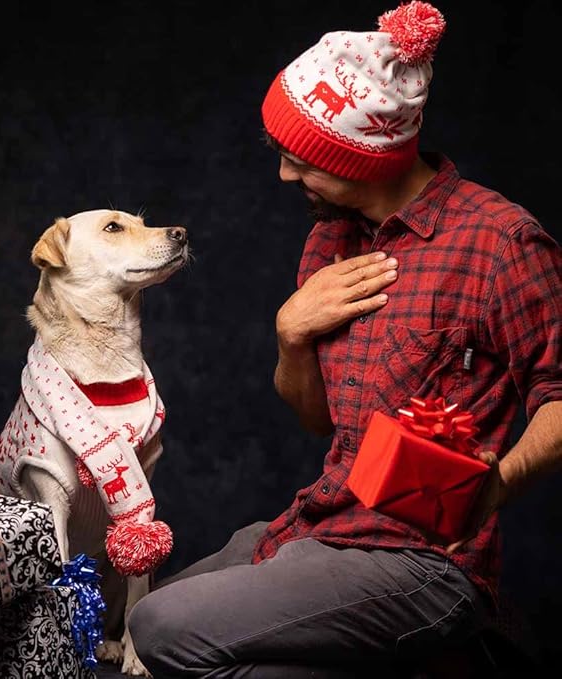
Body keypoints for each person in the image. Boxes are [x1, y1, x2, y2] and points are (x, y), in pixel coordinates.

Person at [127, 2, 562, 676]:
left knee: (163, 628)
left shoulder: (500, 242)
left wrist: (494, 486)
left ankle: (442, 648)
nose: (283, 176)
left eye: (302, 161)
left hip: (425, 560)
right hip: (327, 524)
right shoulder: (328, 240)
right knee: (152, 630)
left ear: (367, 157)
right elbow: (319, 420)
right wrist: (290, 334)